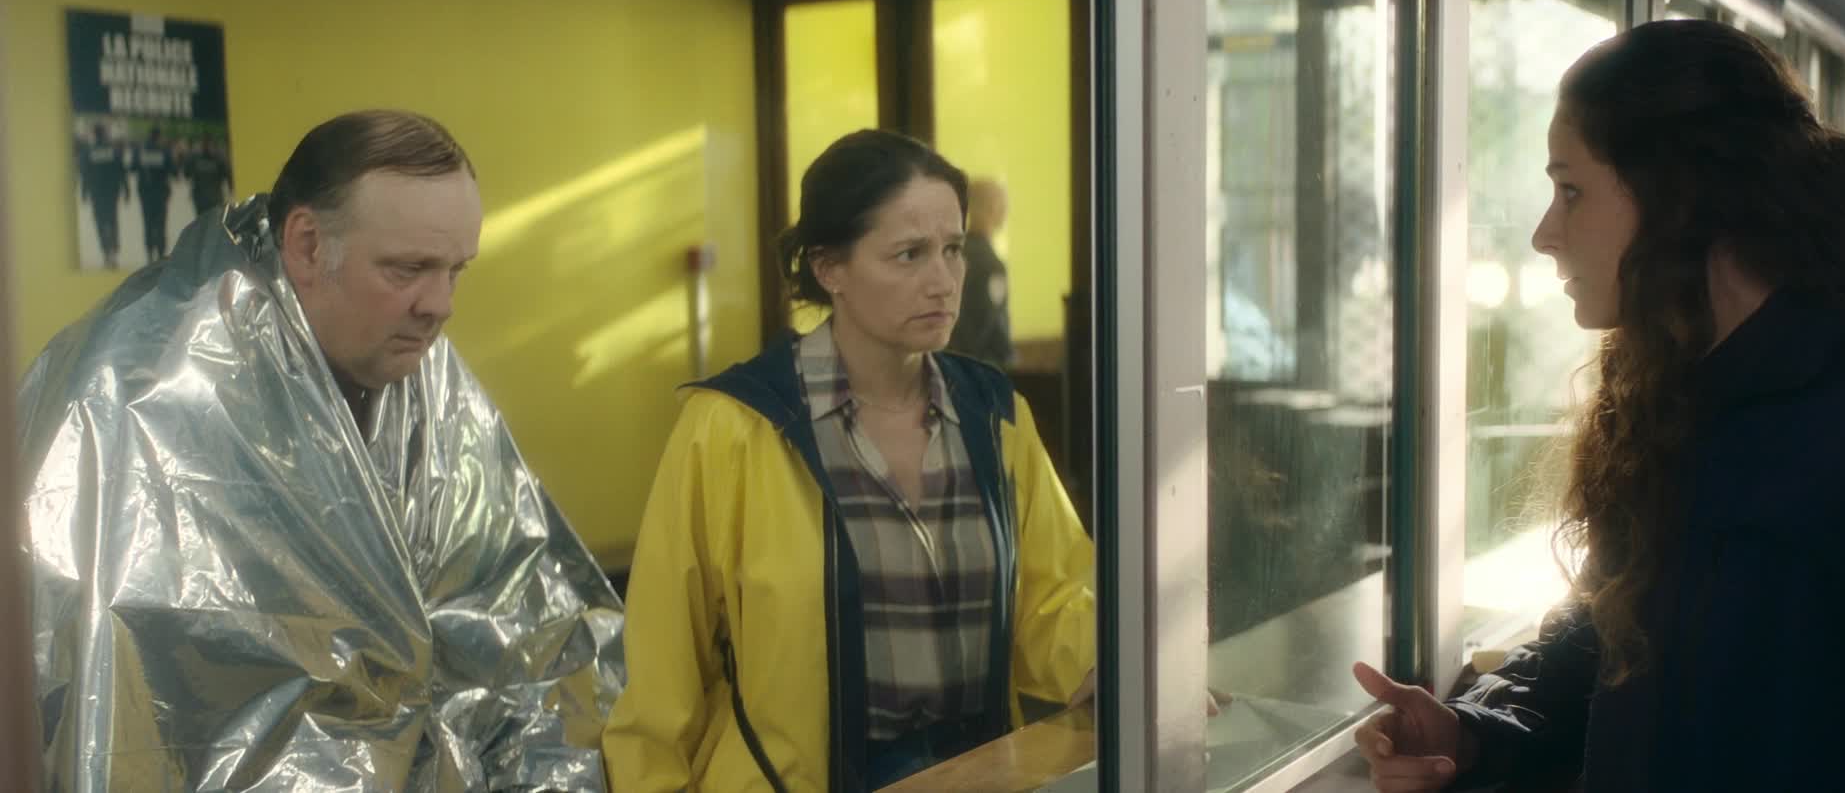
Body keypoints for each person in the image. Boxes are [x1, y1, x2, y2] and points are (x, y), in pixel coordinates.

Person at [1350, 19, 1845, 793]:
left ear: (1677, 190)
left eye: (1571, 190)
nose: (1544, 234)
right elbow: (1605, 647)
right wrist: (1472, 732)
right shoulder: (1675, 397)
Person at [21, 109, 626, 791]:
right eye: (409, 269)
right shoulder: (143, 397)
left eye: (456, 271)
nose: (441, 305)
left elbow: (516, 627)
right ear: (307, 246)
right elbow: (125, 713)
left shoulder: (418, 374)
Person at [604, 129, 1094, 792]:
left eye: (953, 250)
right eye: (909, 254)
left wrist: (1119, 666)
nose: (943, 282)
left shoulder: (995, 415)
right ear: (829, 268)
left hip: (978, 774)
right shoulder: (735, 426)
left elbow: (1052, 598)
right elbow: (665, 663)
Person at [947, 176, 1015, 367]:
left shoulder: (953, 254)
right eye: (1003, 205)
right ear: (994, 208)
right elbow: (989, 324)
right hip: (986, 367)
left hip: (952, 361)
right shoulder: (992, 265)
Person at [77, 121, 129, 267]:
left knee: (100, 222)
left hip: (96, 193)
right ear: (105, 134)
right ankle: (114, 250)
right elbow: (121, 171)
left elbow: (85, 174)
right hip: (112, 192)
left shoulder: (88, 152)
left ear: (94, 135)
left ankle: (105, 252)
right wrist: (126, 189)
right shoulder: (114, 151)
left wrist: (84, 192)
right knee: (112, 220)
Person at [131, 126, 175, 264]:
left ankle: (149, 253)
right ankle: (160, 254)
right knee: (161, 223)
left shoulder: (140, 151)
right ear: (158, 137)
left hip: (145, 193)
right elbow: (173, 171)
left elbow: (132, 168)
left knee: (148, 223)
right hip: (161, 193)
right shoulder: (164, 151)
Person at [185, 134, 235, 216]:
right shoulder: (218, 158)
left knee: (203, 219)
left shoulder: (195, 158)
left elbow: (187, 174)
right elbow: (227, 174)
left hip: (202, 198)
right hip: (212, 197)